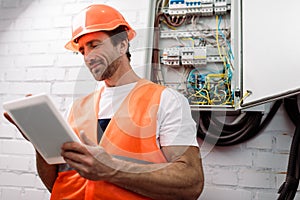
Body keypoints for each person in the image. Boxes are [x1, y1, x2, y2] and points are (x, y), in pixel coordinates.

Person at [5, 4, 204, 200]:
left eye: (94, 45)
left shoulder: (166, 101)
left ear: (122, 45)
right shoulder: (77, 109)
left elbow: (191, 183)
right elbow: (58, 182)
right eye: (82, 50)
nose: (88, 57)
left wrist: (112, 169)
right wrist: (40, 142)